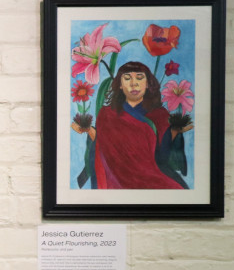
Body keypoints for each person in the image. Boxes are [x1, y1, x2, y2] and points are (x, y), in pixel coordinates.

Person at [72, 60, 191, 189]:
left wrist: (175, 132)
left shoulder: (161, 116)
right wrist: (89, 130)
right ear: (120, 85)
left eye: (140, 78)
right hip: (115, 182)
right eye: (127, 78)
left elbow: (161, 160)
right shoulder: (107, 115)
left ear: (147, 84)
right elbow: (101, 146)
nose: (134, 84)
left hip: (151, 179)